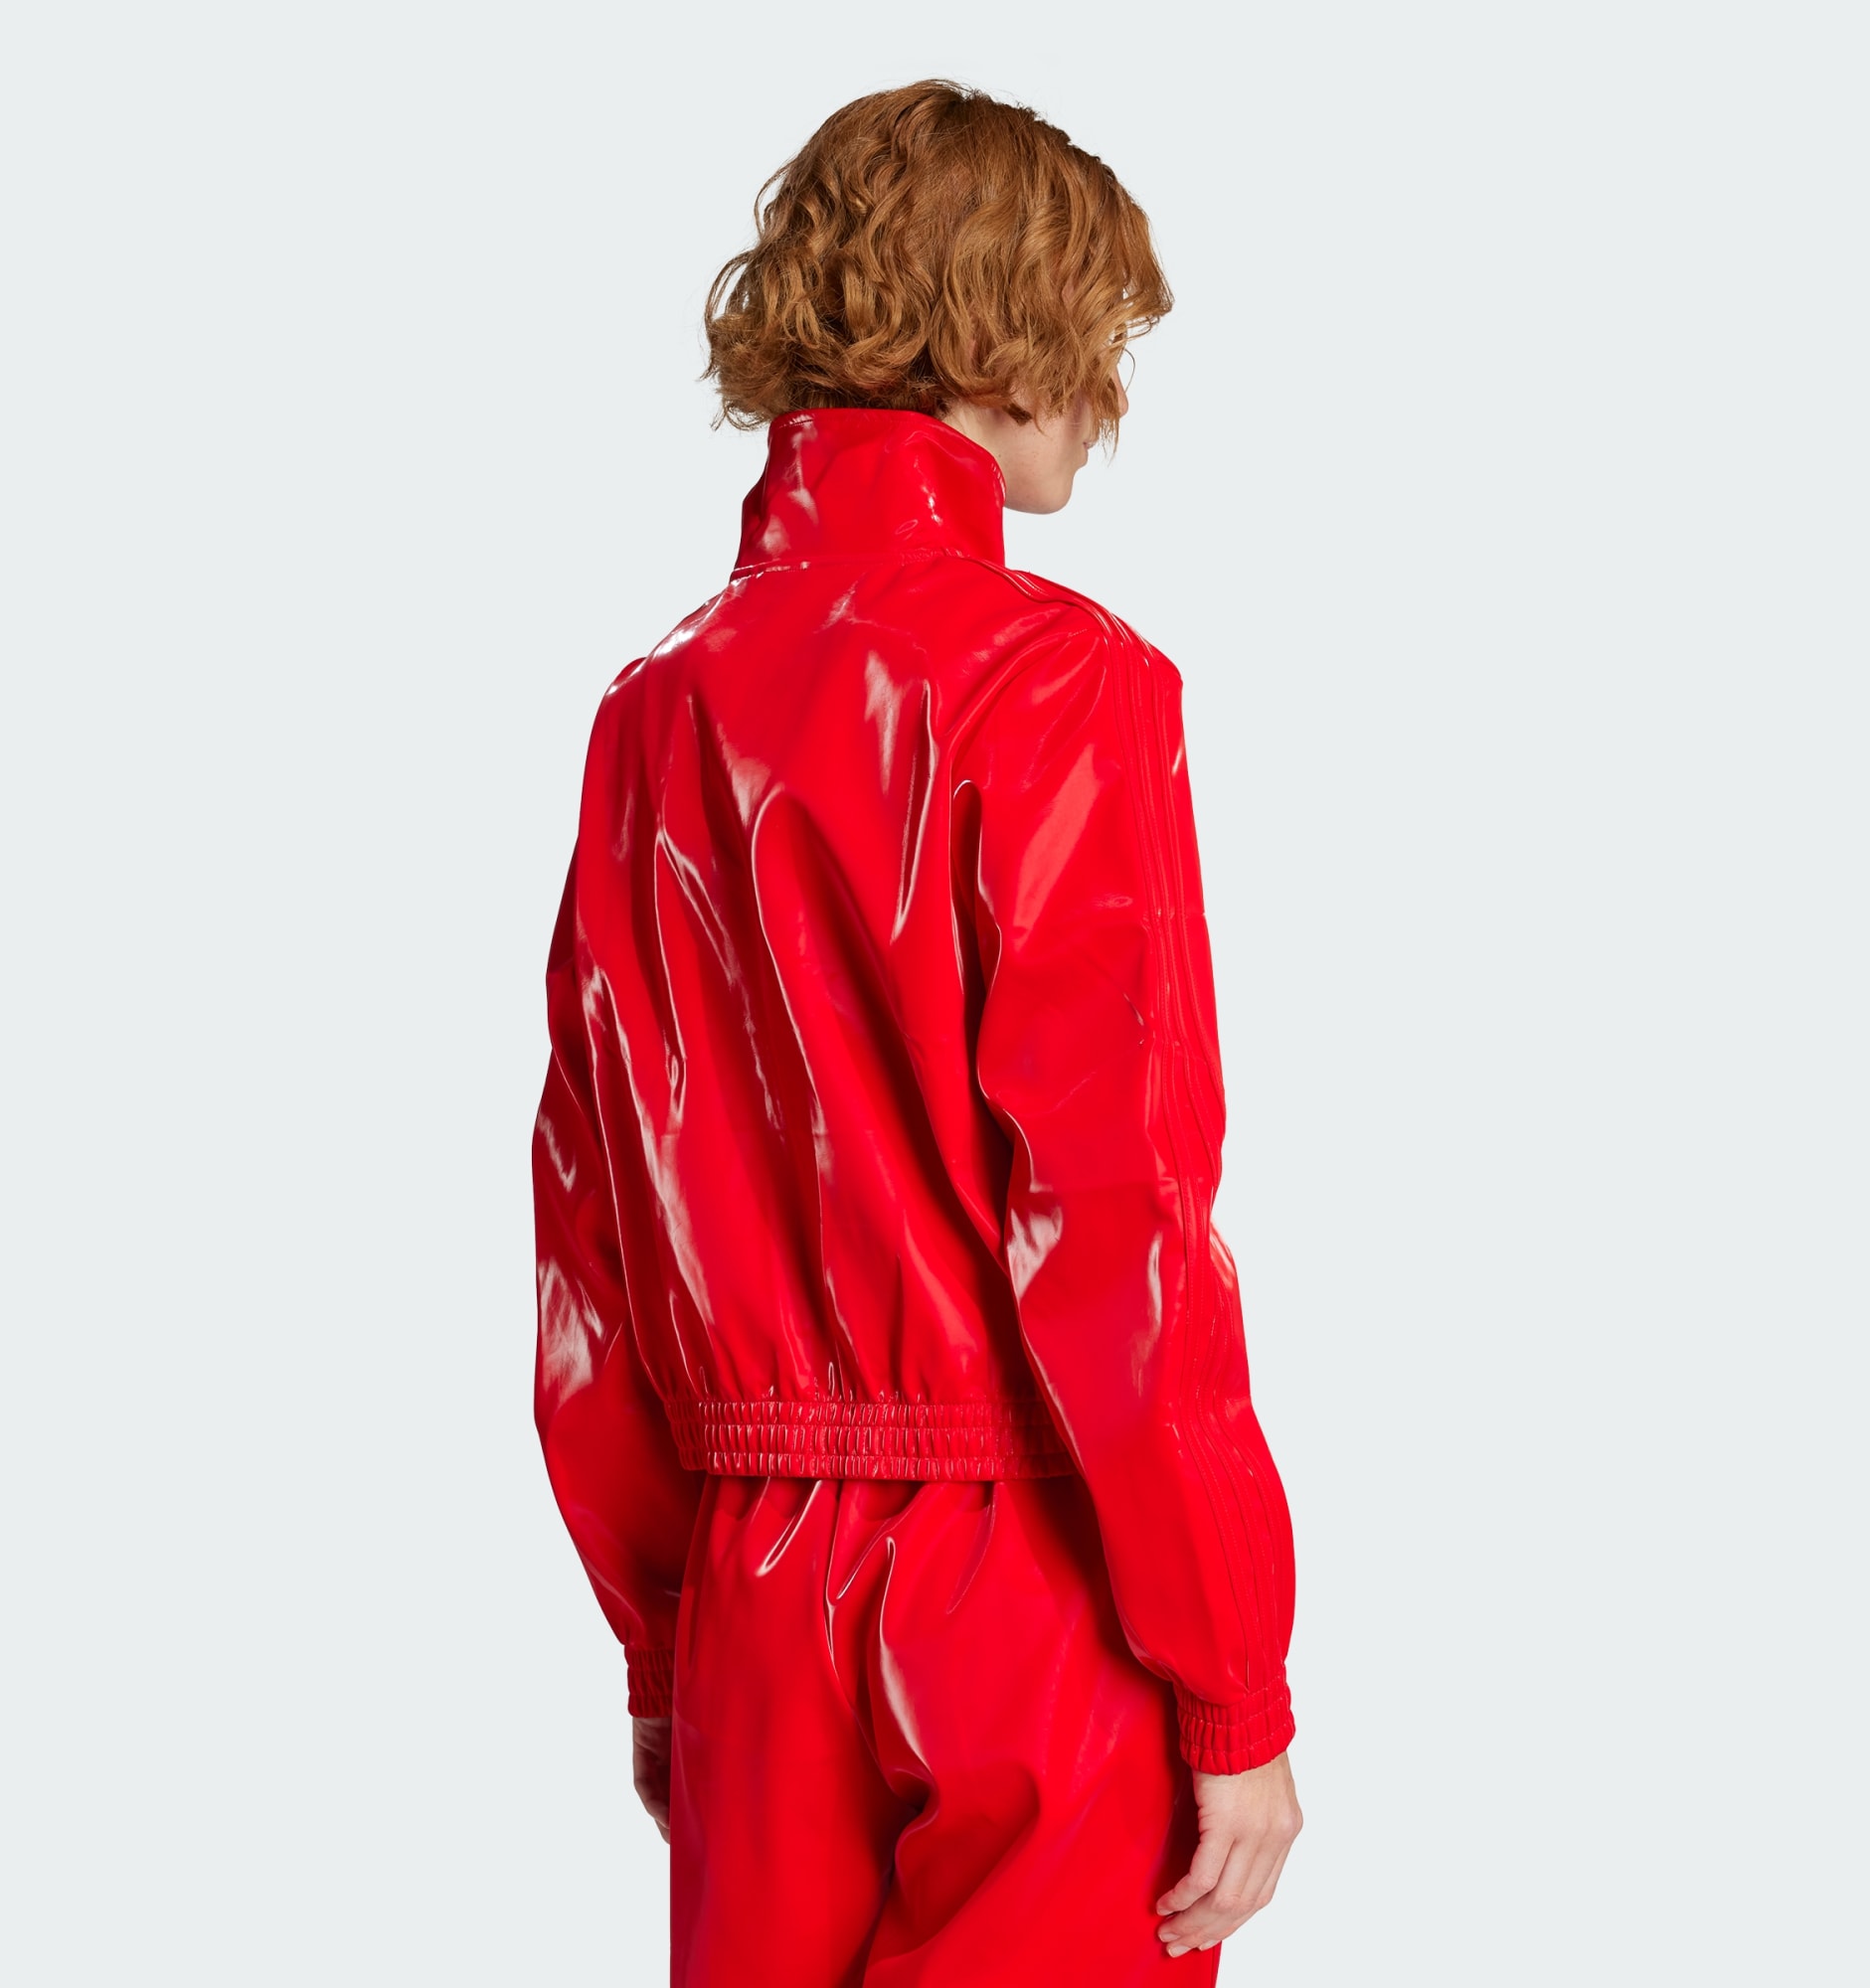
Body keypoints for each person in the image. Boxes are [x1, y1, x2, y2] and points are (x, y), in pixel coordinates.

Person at [532, 80, 1301, 1985]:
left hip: (750, 1591)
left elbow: (593, 1236)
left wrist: (665, 1645)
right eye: (1099, 338)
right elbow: (1114, 1221)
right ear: (1005, 337)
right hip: (1028, 1590)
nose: (1108, 399)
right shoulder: (1062, 682)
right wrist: (1233, 1686)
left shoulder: (655, 710)